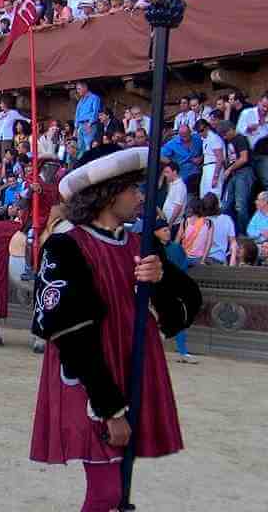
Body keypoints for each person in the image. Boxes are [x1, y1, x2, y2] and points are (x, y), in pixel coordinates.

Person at [30, 144, 201, 512]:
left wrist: (158, 281)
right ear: (106, 194)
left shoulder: (142, 244)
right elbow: (69, 333)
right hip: (95, 382)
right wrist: (110, 408)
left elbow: (185, 306)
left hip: (134, 371)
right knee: (107, 492)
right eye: (131, 188)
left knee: (118, 491)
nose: (140, 196)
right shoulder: (65, 247)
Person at [154, 219, 196, 363]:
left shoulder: (177, 248)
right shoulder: (151, 248)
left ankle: (182, 352)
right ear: (155, 233)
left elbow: (184, 264)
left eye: (168, 229)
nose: (168, 232)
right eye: (164, 230)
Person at [220, 120, 256, 235]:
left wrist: (229, 169)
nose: (224, 137)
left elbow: (244, 158)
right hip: (233, 174)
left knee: (240, 205)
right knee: (225, 206)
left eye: (225, 134)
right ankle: (230, 233)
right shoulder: (229, 141)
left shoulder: (240, 138)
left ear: (231, 129)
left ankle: (244, 234)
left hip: (244, 172)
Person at [74, 81, 101, 154]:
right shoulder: (81, 100)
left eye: (79, 89)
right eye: (77, 89)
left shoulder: (94, 98)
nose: (77, 91)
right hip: (80, 125)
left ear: (85, 88)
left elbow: (95, 112)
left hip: (89, 124)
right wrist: (76, 127)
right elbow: (77, 114)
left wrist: (90, 123)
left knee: (88, 145)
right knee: (80, 146)